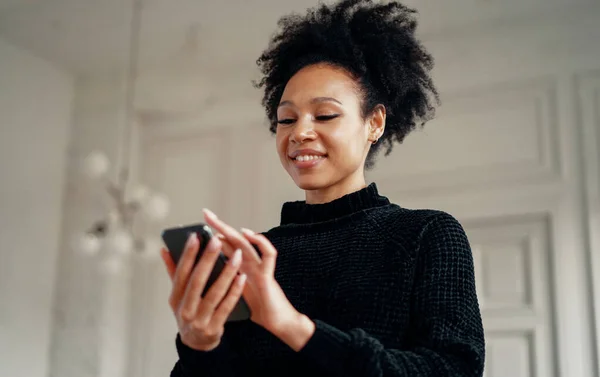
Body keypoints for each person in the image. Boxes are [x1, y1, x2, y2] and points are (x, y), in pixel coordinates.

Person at [160, 0, 486, 376]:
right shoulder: (251, 259)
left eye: (326, 114)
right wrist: (199, 346)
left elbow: (454, 370)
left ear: (374, 122)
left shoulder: (426, 234)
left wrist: (290, 324)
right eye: (286, 119)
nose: (299, 132)